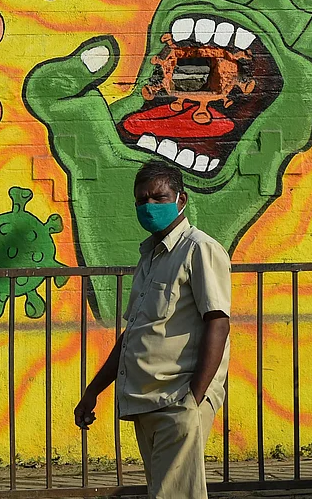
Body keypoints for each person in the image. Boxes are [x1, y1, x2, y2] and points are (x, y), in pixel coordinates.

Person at [73, 160, 232, 499]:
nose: (149, 206)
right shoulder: (151, 257)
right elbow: (133, 335)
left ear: (181, 199)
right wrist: (93, 390)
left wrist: (194, 396)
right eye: (141, 200)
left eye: (159, 198)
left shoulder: (199, 249)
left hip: (178, 397)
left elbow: (218, 323)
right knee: (165, 491)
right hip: (146, 401)